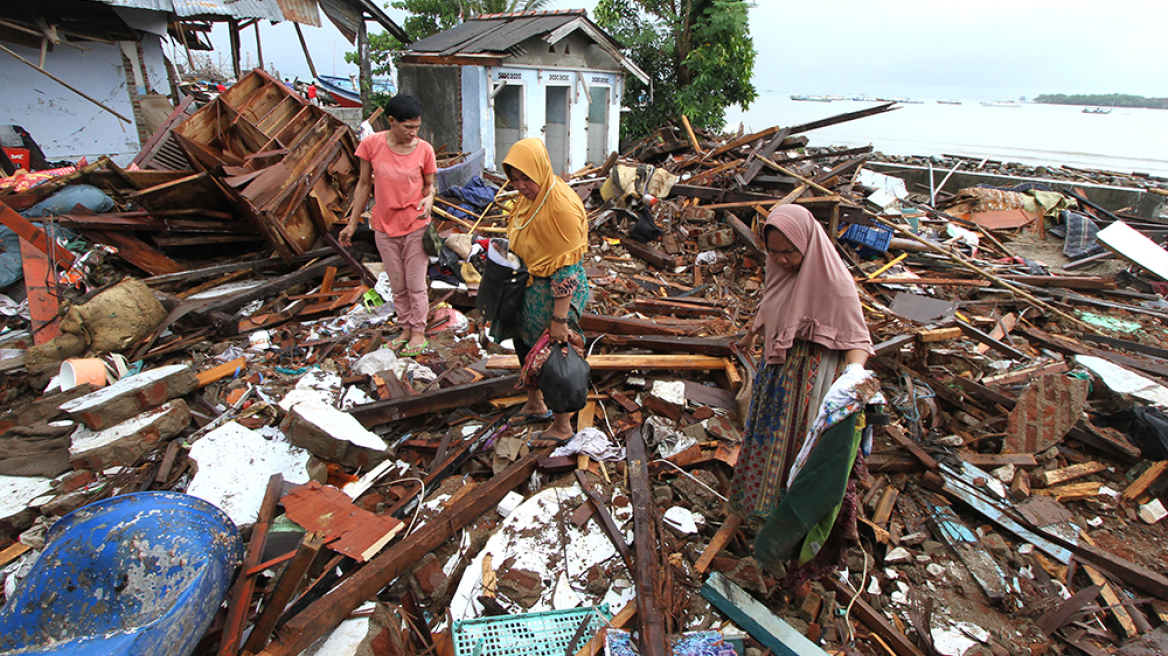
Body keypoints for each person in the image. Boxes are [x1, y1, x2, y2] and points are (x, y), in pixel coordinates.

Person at [729, 204, 876, 581]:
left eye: (789, 251)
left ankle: (789, 537)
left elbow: (857, 339)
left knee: (797, 456)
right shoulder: (778, 270)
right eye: (773, 250)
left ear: (808, 244)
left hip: (809, 387)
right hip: (776, 382)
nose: (781, 259)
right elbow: (772, 306)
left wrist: (854, 375)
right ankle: (759, 513)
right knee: (766, 448)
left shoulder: (834, 282)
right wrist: (751, 334)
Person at [500, 139, 590, 447]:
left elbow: (566, 269)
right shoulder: (530, 201)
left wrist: (559, 319)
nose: (520, 185)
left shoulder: (561, 208)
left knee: (555, 353)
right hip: (530, 283)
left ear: (541, 169)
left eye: (526, 178)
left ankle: (563, 424)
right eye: (514, 179)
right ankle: (536, 403)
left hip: (557, 294)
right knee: (526, 343)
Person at [339, 95, 436, 356]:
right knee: (398, 284)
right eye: (408, 127)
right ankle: (405, 329)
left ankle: (418, 332)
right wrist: (351, 224)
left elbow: (430, 187)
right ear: (391, 121)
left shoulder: (424, 149)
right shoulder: (371, 144)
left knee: (415, 284)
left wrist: (428, 199)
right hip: (384, 227)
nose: (413, 133)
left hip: (416, 225)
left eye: (417, 127)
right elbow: (362, 185)